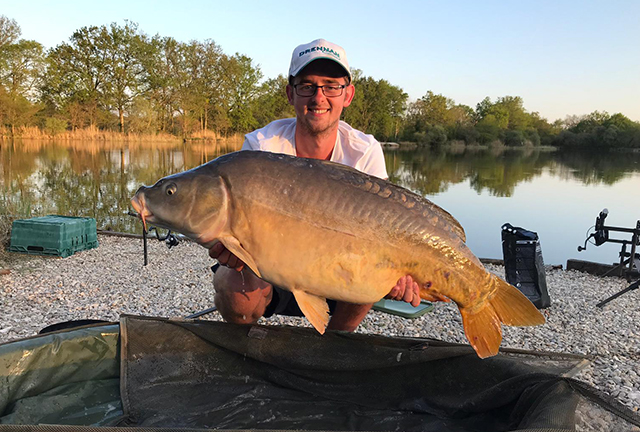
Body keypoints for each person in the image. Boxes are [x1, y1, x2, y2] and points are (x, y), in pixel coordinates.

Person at [210, 39, 423, 331]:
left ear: (348, 95)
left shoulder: (364, 151)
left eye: (331, 86)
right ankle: (249, 348)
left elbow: (386, 232)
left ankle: (334, 346)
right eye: (307, 86)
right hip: (273, 269)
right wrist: (230, 244)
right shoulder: (261, 147)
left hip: (341, 276)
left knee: (374, 267)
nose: (319, 97)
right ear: (290, 93)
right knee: (230, 282)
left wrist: (400, 272)